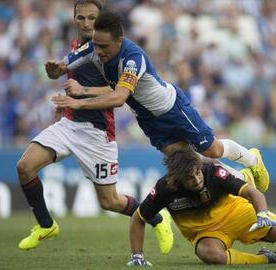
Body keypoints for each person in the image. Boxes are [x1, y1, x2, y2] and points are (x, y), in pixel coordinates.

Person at [47, 10, 270, 193]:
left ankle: (253, 160)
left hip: (172, 109)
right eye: (96, 45)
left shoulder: (133, 57)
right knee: (189, 161)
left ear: (120, 41)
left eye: (104, 46)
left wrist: (79, 101)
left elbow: (119, 97)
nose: (99, 51)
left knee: (210, 150)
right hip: (148, 120)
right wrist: (54, 71)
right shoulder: (91, 49)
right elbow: (59, 69)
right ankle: (242, 180)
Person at [16, 0, 173, 254]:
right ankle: (46, 226)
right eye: (81, 18)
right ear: (74, 19)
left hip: (97, 131)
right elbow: (63, 77)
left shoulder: (107, 50)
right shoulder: (75, 45)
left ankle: (157, 218)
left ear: (100, 21)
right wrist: (56, 81)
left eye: (92, 18)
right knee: (24, 167)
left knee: (109, 201)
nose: (87, 24)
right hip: (69, 123)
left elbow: (118, 90)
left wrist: (81, 94)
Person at [127, 147, 276, 266]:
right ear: (178, 179)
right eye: (190, 178)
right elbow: (138, 218)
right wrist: (137, 256)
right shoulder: (164, 188)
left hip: (238, 215)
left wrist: (262, 214)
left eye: (198, 173)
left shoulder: (213, 172)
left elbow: (252, 193)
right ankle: (266, 258)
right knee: (210, 255)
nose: (197, 179)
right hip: (207, 233)